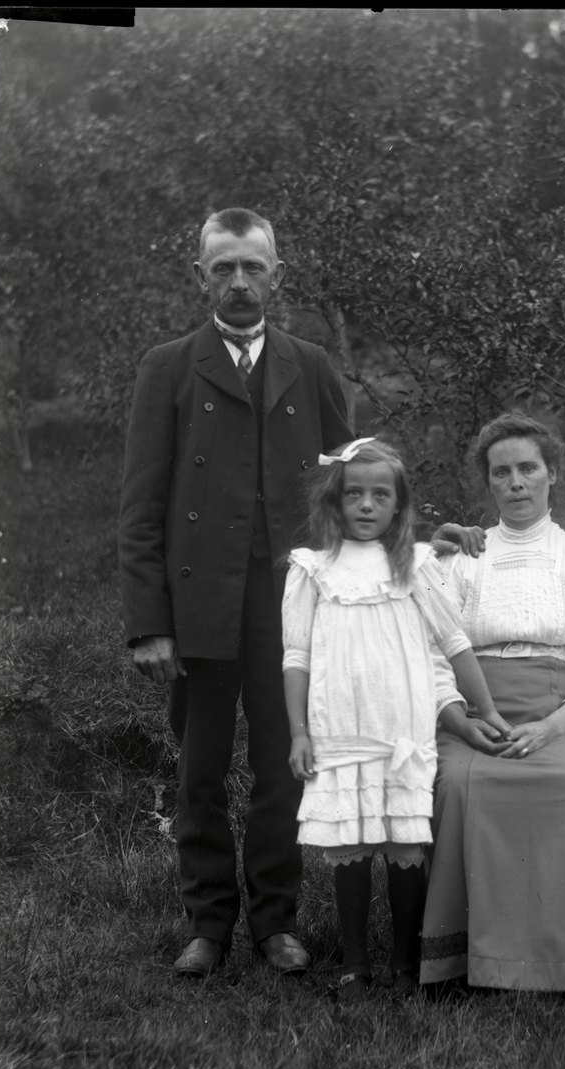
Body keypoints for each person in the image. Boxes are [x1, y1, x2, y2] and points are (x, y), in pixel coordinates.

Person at [118, 207, 353, 979]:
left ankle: (276, 921)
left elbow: (352, 488)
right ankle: (209, 925)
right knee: (202, 770)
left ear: (277, 275)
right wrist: (150, 623)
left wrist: (397, 559)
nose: (240, 282)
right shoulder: (168, 367)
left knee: (285, 767)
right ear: (201, 277)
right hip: (201, 605)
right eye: (224, 268)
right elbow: (142, 505)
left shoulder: (310, 365)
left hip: (290, 603)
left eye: (254, 267)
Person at [281, 438, 511, 1001]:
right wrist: (299, 732)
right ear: (333, 501)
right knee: (352, 842)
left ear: (398, 504)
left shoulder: (417, 565)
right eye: (353, 494)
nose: (366, 505)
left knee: (406, 843)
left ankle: (407, 962)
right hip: (339, 730)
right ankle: (355, 963)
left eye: (380, 495)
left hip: (402, 730)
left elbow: (455, 644)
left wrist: (487, 709)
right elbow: (297, 657)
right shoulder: (312, 571)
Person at [421, 413, 565, 993]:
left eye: (528, 469)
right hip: (474, 710)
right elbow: (432, 656)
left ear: (551, 474)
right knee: (458, 786)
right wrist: (458, 721)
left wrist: (550, 727)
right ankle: (464, 957)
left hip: (559, 710)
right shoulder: (458, 559)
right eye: (501, 472)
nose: (515, 483)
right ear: (488, 482)